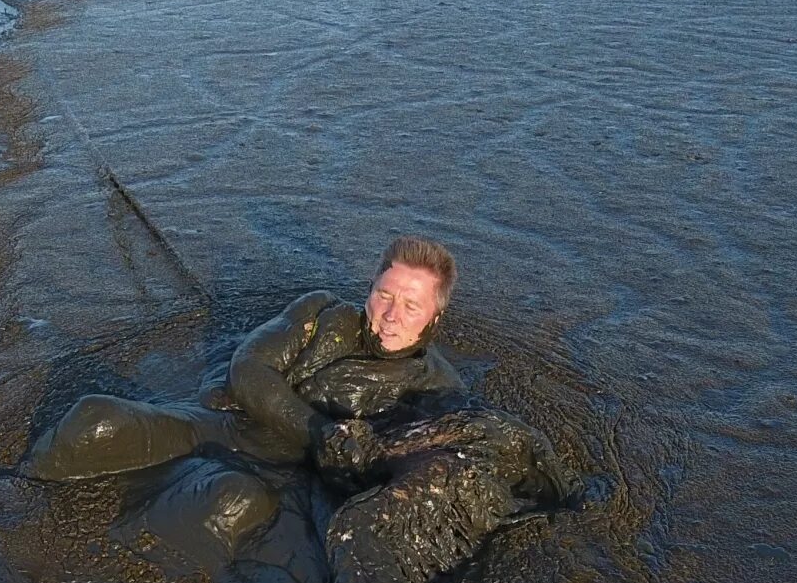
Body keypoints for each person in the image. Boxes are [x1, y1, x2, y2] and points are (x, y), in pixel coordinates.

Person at [23, 235, 468, 554]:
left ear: (434, 318)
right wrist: (318, 430)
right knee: (92, 419)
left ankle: (114, 557)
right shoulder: (320, 312)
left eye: (410, 307)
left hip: (283, 477)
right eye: (384, 296)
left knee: (227, 505)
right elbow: (248, 367)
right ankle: (14, 493)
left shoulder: (436, 387)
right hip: (221, 423)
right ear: (369, 290)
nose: (390, 316)